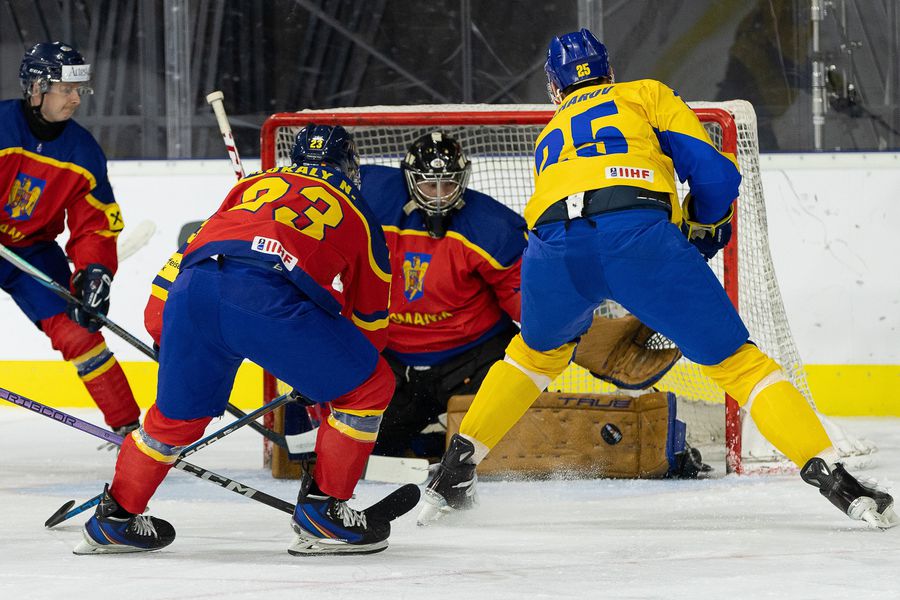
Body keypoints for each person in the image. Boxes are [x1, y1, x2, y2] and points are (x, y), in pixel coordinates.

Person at [418, 28, 897, 529]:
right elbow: (716, 177)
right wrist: (705, 222)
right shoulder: (644, 94)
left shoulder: (549, 134)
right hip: (637, 238)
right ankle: (834, 478)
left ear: (554, 88)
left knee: (532, 358)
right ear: (610, 72)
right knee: (739, 366)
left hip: (552, 248)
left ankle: (455, 470)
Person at [75, 124, 413, 556]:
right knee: (370, 388)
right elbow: (370, 323)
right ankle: (325, 512)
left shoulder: (253, 186)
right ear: (350, 166)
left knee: (174, 420)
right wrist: (329, 375)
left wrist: (167, 331)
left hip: (188, 294)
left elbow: (189, 257)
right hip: (262, 298)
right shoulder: (360, 212)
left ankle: (115, 518)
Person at [0, 42, 140, 436]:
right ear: (36, 88)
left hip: (31, 250)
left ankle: (130, 431)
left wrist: (96, 272)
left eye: (80, 90)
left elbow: (95, 224)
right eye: (67, 89)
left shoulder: (83, 152)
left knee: (79, 331)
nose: (76, 99)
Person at [361, 132, 526, 459]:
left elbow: (529, 306)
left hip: (472, 357)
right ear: (409, 181)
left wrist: (566, 333)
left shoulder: (493, 228)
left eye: (447, 185)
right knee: (375, 445)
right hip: (392, 359)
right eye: (429, 185)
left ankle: (437, 434)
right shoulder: (370, 203)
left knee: (515, 425)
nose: (439, 196)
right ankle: (426, 437)